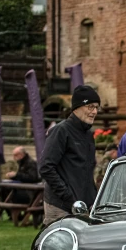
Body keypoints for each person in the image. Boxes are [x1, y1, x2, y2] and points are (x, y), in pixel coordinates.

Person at [39, 85, 101, 225]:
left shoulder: (88, 135)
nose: (94, 112)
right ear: (77, 107)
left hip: (83, 207)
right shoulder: (61, 131)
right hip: (60, 207)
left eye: (97, 107)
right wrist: (68, 197)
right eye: (90, 106)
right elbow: (46, 167)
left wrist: (93, 198)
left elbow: (86, 171)